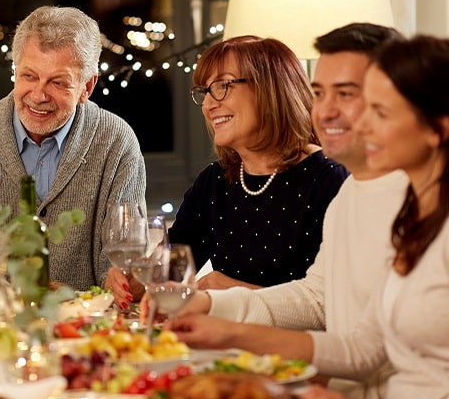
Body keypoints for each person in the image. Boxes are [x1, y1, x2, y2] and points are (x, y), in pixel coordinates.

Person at [171, 35, 449, 399]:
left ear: (437, 130)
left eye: (379, 111)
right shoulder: (406, 210)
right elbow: (361, 346)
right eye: (321, 93)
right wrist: (224, 324)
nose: (359, 124)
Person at [169, 23, 406, 399]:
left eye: (345, 94)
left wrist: (220, 305)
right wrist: (214, 310)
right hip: (316, 389)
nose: (324, 110)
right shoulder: (356, 195)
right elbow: (324, 306)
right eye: (320, 93)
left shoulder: (342, 183)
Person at [108, 35, 347, 307]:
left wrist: (233, 292)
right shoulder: (214, 183)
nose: (209, 105)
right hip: (227, 345)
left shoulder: (330, 181)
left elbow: (337, 308)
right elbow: (165, 274)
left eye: (223, 86)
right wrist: (130, 280)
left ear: (271, 88)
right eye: (205, 92)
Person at [0, 5, 146, 290]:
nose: (38, 95)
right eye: (29, 76)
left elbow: (121, 263)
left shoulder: (117, 143)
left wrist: (125, 278)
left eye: (58, 82)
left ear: (87, 87)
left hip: (81, 328)